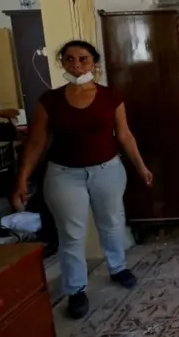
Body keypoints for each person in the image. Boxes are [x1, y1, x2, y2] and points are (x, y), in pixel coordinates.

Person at [11, 40, 153, 320]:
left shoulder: (111, 96)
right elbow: (37, 143)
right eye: (70, 59)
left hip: (107, 170)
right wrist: (22, 179)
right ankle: (76, 290)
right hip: (64, 175)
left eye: (84, 59)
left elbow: (123, 135)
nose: (77, 65)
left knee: (112, 222)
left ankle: (117, 267)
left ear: (94, 63)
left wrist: (140, 165)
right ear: (62, 62)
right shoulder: (49, 101)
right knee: (71, 234)